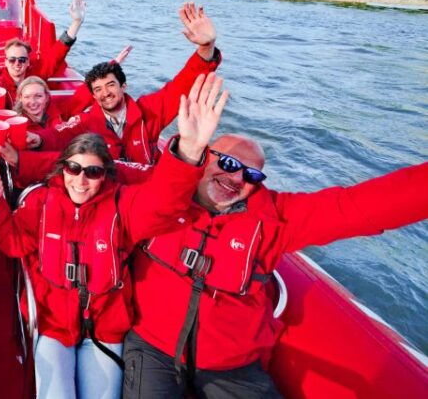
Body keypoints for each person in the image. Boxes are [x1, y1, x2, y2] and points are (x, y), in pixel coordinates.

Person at [0, 73, 230, 399]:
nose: (80, 181)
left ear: (106, 175)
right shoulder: (40, 202)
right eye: (73, 169)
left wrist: (189, 150)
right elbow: (13, 243)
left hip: (106, 328)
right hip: (54, 326)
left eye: (92, 172)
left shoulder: (123, 206)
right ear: (62, 168)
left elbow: (164, 204)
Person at [123, 134, 428, 398]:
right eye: (228, 164)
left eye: (252, 176)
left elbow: (356, 208)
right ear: (204, 157)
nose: (237, 179)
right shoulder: (160, 194)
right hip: (154, 349)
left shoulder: (275, 219)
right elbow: (92, 173)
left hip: (232, 364)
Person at [37, 2, 221, 164]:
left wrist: (206, 47)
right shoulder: (86, 122)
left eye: (110, 85)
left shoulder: (149, 112)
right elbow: (58, 134)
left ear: (123, 86)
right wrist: (36, 139)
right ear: (93, 96)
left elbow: (181, 86)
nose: (105, 93)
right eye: (98, 89)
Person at [0, 0, 86, 105]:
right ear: (6, 62)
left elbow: (57, 53)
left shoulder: (36, 72)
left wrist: (77, 22)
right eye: (12, 59)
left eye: (22, 59)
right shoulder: (0, 84)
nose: (17, 63)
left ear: (28, 62)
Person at [15, 45, 133, 131]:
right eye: (27, 97)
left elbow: (83, 95)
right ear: (20, 98)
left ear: (46, 97)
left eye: (38, 96)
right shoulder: (17, 124)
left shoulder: (59, 113)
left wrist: (113, 65)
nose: (33, 102)